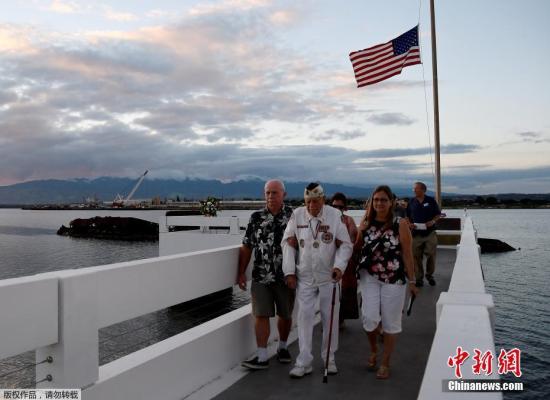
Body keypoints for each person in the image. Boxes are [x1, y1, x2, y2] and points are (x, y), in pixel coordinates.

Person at [282, 183, 352, 378]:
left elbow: (345, 245)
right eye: (308, 201)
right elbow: (287, 243)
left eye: (315, 201)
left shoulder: (334, 215)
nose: (312, 205)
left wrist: (339, 266)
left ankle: (329, 358)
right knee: (304, 318)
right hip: (304, 276)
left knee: (330, 318)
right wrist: (289, 271)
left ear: (323, 199)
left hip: (329, 277)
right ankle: (304, 361)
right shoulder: (297, 215)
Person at [356, 185, 418, 379]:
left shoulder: (400, 224)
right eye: (376, 200)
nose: (379, 203)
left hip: (394, 278)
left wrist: (413, 281)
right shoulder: (366, 221)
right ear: (371, 202)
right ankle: (374, 348)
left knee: (391, 323)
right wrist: (361, 230)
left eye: (383, 200)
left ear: (391, 202)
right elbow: (356, 248)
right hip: (370, 277)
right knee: (369, 318)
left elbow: (408, 254)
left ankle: (385, 361)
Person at [238, 179, 295, 370]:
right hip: (261, 275)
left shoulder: (294, 216)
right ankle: (262, 356)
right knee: (261, 314)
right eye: (268, 193)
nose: (271, 196)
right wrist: (240, 272)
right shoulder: (256, 218)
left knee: (285, 314)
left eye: (275, 193)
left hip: (286, 275)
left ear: (284, 195)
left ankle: (283, 347)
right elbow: (246, 247)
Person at [406, 181, 443, 287]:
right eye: (413, 188)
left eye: (416, 188)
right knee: (416, 256)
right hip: (415, 234)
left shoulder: (430, 201)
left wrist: (432, 221)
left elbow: (438, 215)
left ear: (423, 190)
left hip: (429, 233)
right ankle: (419, 278)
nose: (414, 190)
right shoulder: (411, 201)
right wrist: (409, 224)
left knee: (431, 254)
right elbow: (407, 216)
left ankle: (429, 275)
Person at [330, 192, 359, 326]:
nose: (337, 209)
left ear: (345, 208)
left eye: (340, 207)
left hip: (345, 262)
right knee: (330, 293)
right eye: (334, 206)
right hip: (328, 262)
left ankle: (340, 320)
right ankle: (331, 320)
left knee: (345, 292)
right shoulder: (325, 220)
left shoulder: (349, 221)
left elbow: (352, 240)